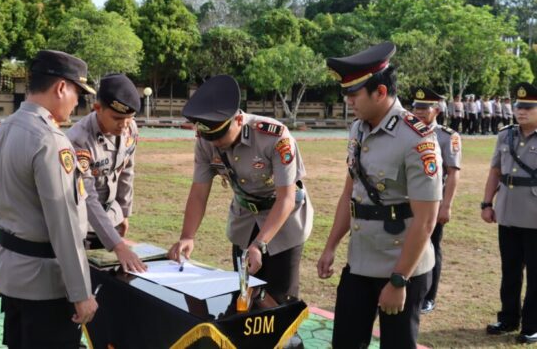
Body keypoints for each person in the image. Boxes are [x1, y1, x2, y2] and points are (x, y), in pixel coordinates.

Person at [317, 42, 442, 349]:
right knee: (345, 342)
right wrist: (331, 246)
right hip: (360, 260)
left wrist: (399, 281)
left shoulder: (417, 139)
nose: (348, 101)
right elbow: (352, 191)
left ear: (381, 93)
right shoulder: (358, 129)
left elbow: (426, 221)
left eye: (354, 94)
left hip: (402, 264)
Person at [168, 74, 314, 305]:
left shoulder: (274, 137)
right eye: (209, 136)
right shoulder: (207, 142)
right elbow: (198, 192)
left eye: (220, 135)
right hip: (245, 220)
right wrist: (187, 236)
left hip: (283, 222)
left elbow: (286, 198)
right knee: (245, 294)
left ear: (237, 120)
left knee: (278, 302)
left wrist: (259, 244)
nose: (216, 143)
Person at [0, 50, 98, 349]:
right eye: (77, 93)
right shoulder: (49, 140)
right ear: (61, 87)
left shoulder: (0, 132)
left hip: (11, 275)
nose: (78, 103)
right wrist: (81, 293)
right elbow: (64, 224)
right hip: (44, 286)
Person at [67, 73, 147, 273]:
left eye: (129, 118)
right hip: (83, 225)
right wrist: (117, 245)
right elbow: (87, 195)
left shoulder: (130, 129)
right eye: (117, 118)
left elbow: (127, 171)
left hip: (112, 217)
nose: (124, 125)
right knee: (85, 277)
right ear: (97, 109)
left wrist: (124, 213)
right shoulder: (79, 139)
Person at [481, 82, 537, 344]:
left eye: (528, 107)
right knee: (510, 270)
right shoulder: (506, 136)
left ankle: (532, 325)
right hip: (508, 212)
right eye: (518, 107)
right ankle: (508, 318)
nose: (521, 112)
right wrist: (486, 203)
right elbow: (495, 171)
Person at [411, 87, 462, 314]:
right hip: (409, 200)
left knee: (431, 246)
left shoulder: (447, 136)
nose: (419, 112)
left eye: (425, 108)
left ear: (437, 110)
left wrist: (446, 205)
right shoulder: (408, 131)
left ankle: (428, 296)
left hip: (433, 201)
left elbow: (453, 172)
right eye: (416, 107)